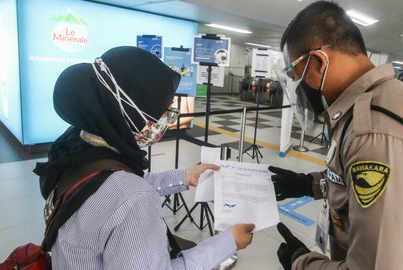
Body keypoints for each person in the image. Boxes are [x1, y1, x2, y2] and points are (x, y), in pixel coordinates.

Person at [271, 2, 403, 270]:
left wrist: (302, 262)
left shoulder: (375, 132)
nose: (298, 85)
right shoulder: (374, 103)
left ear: (319, 63)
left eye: (295, 73)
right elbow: (355, 184)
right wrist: (309, 185)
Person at [34, 46, 254, 270]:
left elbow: (111, 188)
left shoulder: (76, 147)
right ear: (133, 113)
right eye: (165, 110)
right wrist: (229, 241)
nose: (168, 119)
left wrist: (185, 176)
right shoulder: (133, 199)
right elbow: (127, 195)